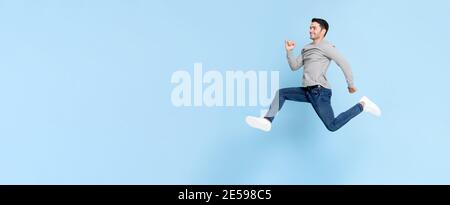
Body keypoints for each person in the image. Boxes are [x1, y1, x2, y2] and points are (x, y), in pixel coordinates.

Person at [246, 18, 381, 132]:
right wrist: (289, 52)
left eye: (314, 28)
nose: (310, 30)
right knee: (281, 93)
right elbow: (294, 67)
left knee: (332, 126)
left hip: (320, 92)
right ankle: (267, 120)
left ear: (323, 31)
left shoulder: (327, 47)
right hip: (307, 91)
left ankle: (363, 105)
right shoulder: (306, 48)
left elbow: (343, 63)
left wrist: (350, 84)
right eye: (310, 27)